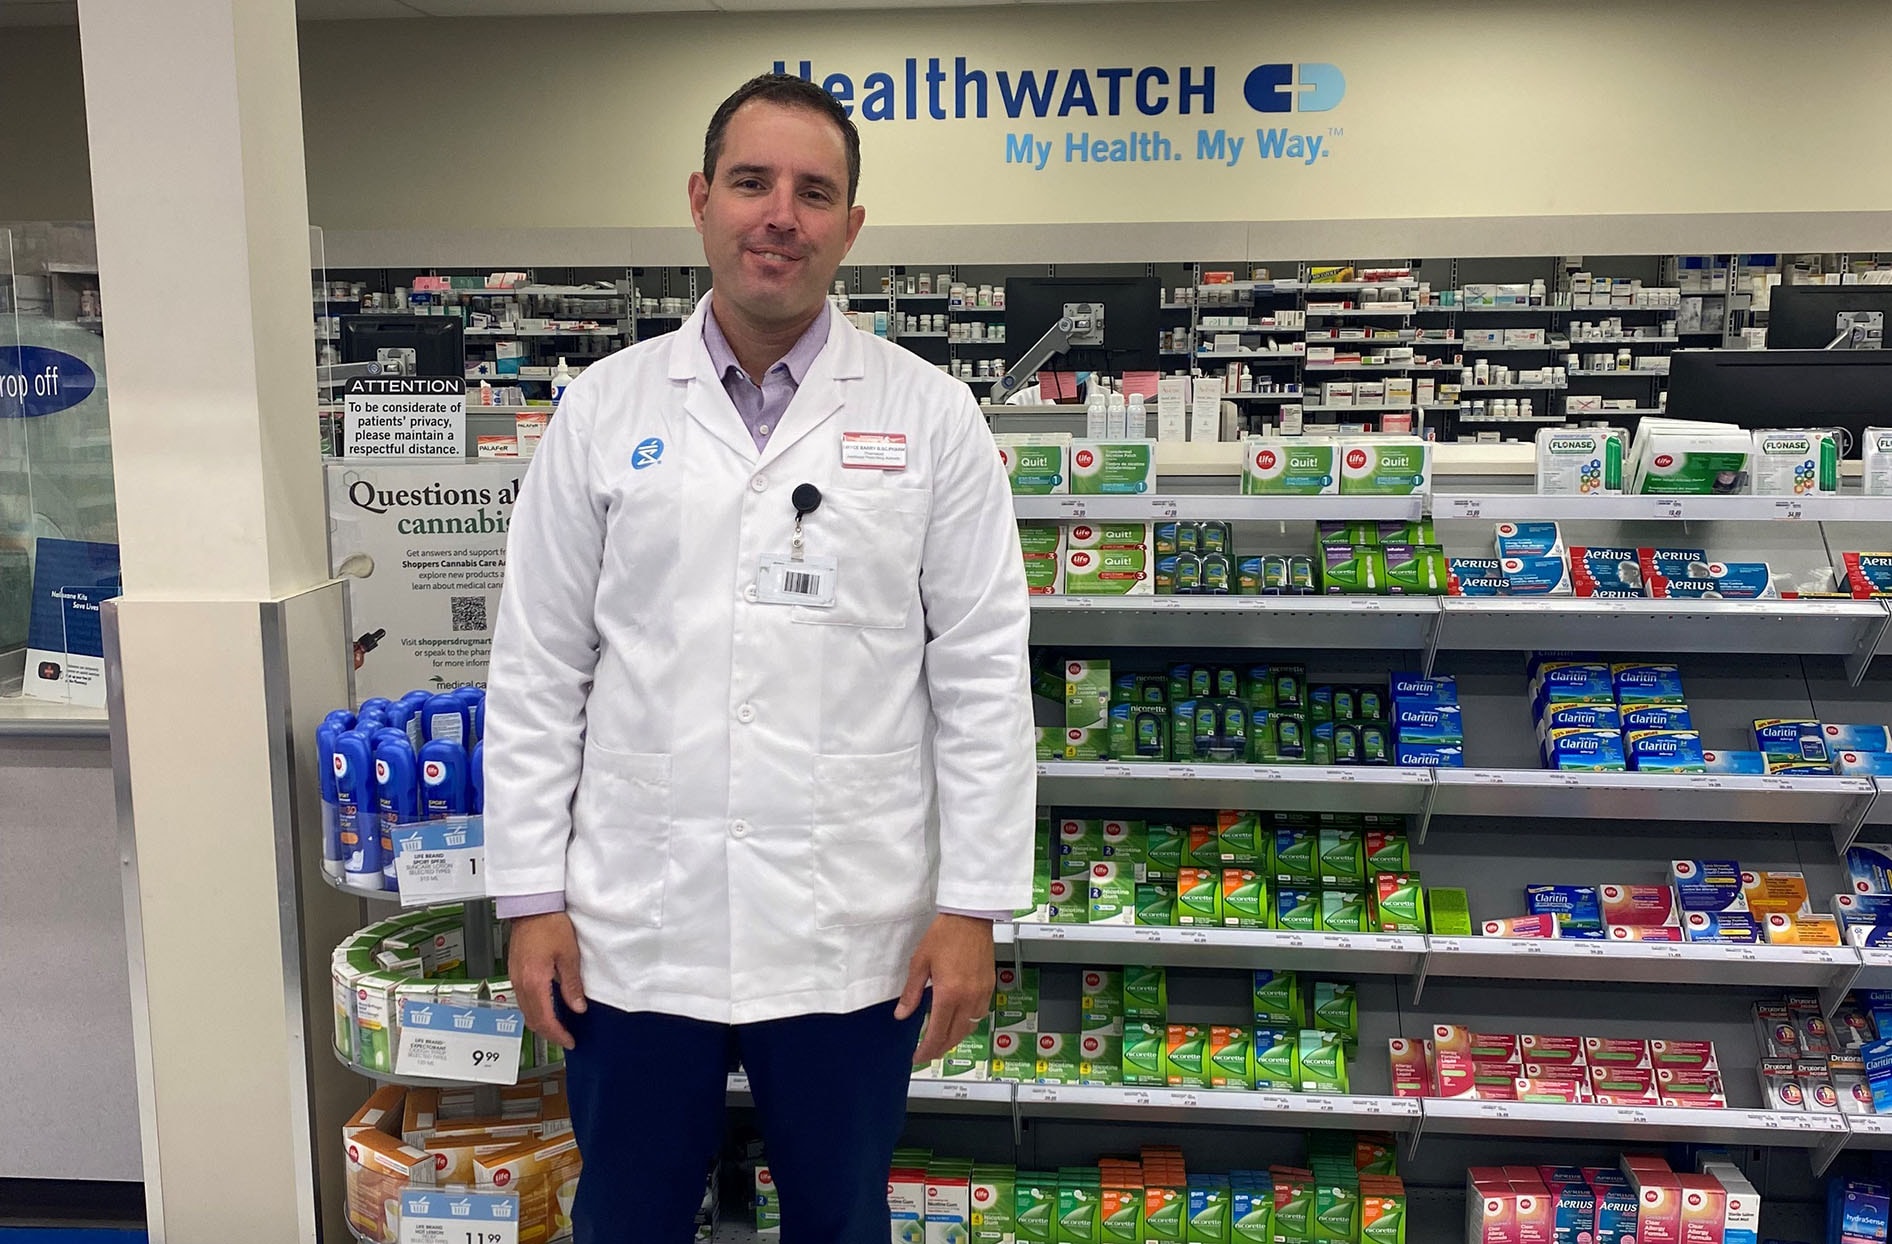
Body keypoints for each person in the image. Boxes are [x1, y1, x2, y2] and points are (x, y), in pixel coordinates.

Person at [482, 73, 1036, 1244]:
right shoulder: (600, 407)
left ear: (850, 226)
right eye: (751, 182)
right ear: (700, 201)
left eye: (812, 191)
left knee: (838, 1219)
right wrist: (529, 895)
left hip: (851, 933)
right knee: (625, 1218)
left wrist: (973, 906)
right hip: (636, 925)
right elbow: (538, 663)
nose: (779, 213)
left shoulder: (931, 418)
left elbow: (982, 672)